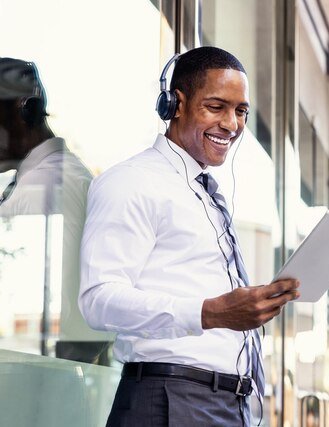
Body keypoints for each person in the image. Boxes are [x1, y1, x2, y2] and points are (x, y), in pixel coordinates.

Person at [78, 46, 300, 426]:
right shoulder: (132, 181)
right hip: (170, 401)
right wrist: (211, 311)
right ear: (175, 104)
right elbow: (98, 300)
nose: (232, 124)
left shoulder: (203, 192)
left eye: (241, 111)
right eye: (216, 107)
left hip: (228, 404)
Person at [0, 57, 112, 363]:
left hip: (37, 378)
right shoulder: (46, 178)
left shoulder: (47, 186)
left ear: (23, 110)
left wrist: (54, 385)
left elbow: (68, 315)